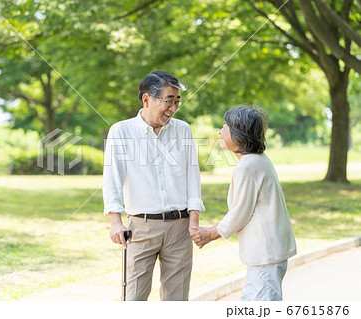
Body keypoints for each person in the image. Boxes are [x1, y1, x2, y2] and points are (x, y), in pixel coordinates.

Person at [103, 70, 205, 301]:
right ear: (146, 99)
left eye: (177, 102)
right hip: (141, 227)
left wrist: (194, 220)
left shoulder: (183, 129)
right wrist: (115, 222)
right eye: (168, 101)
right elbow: (112, 178)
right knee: (134, 298)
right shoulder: (121, 131)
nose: (173, 108)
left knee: (177, 300)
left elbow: (192, 176)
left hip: (179, 227)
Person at [190, 105, 296, 301]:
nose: (220, 132)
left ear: (240, 133)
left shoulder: (247, 166)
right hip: (269, 252)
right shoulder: (258, 160)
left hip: (266, 253)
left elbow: (240, 212)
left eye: (225, 126)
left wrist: (211, 233)